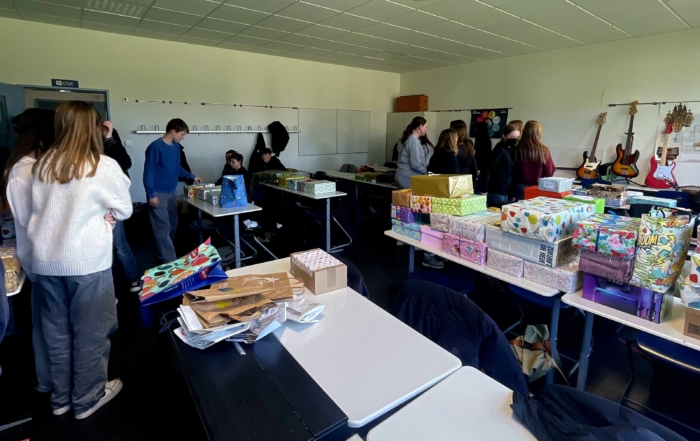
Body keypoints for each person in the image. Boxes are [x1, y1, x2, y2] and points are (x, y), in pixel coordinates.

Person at [28, 101, 133, 419]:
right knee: (91, 332)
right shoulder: (101, 165)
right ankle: (87, 398)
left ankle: (61, 398)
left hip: (45, 261)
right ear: (93, 128)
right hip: (86, 262)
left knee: (56, 332)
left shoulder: (42, 165)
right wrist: (108, 214)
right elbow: (125, 208)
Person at [3, 108, 55, 389]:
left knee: (47, 322)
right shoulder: (23, 171)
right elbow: (31, 221)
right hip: (40, 258)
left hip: (42, 257)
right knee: (49, 324)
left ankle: (49, 379)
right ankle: (49, 381)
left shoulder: (32, 166)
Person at [143, 118, 202, 263]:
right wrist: (151, 194)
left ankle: (163, 254)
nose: (183, 138)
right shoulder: (155, 147)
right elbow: (148, 172)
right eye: (182, 134)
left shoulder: (175, 147)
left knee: (173, 225)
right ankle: (170, 262)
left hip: (171, 191)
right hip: (157, 193)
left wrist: (191, 176)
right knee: (162, 228)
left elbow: (176, 167)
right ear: (173, 131)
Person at [103, 126, 140, 292]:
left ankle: (133, 278)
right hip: (96, 209)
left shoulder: (111, 156)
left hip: (112, 206)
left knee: (119, 244)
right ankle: (107, 288)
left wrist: (109, 138)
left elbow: (126, 163)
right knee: (104, 248)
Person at [513, 120, 556, 201]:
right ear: (538, 133)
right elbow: (549, 172)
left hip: (518, 186)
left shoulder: (517, 148)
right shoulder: (544, 150)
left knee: (518, 208)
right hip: (537, 187)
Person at [485, 124, 520, 207]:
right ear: (504, 136)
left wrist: (511, 192)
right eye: (512, 137)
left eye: (517, 137)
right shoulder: (500, 149)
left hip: (505, 190)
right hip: (497, 190)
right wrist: (484, 190)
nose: (515, 139)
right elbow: (488, 169)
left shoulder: (510, 149)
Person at [395, 116, 429, 189]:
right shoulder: (414, 142)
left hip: (402, 175)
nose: (427, 129)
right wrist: (425, 171)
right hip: (407, 177)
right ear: (420, 127)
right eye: (426, 127)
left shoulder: (410, 140)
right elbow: (415, 164)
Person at [450, 120, 478, 188]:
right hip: (466, 180)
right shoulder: (468, 145)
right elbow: (474, 168)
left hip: (454, 182)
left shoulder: (453, 147)